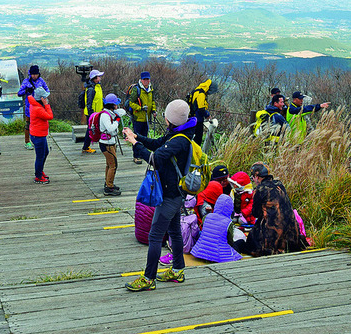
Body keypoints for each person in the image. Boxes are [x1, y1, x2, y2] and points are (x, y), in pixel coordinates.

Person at [122, 99, 195, 291]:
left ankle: (148, 278)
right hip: (174, 192)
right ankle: (178, 270)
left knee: (154, 236)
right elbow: (156, 144)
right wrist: (137, 137)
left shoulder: (179, 141)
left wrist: (135, 143)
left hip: (170, 195)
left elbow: (154, 158)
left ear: (171, 119)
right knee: (174, 232)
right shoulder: (178, 134)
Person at [231, 162, 307, 257]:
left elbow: (256, 213)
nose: (253, 180)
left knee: (251, 239)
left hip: (273, 238)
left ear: (257, 176)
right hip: (292, 236)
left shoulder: (260, 189)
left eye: (253, 177)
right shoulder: (279, 185)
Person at [189, 194, 243, 263]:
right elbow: (230, 240)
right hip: (218, 252)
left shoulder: (207, 216)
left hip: (202, 249)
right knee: (240, 243)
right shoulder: (228, 222)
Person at [91, 93, 125, 196]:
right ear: (112, 105)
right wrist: (117, 121)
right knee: (113, 165)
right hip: (107, 144)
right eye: (116, 104)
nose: (117, 106)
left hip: (109, 143)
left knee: (109, 164)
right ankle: (109, 188)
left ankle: (108, 183)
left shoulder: (109, 113)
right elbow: (110, 128)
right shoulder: (105, 115)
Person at [126, 71, 156, 164]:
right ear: (141, 80)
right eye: (144, 79)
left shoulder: (151, 89)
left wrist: (153, 110)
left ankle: (142, 154)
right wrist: (140, 108)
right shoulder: (137, 89)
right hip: (138, 118)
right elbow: (131, 103)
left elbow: (152, 101)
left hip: (147, 118)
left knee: (144, 137)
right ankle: (136, 156)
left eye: (148, 79)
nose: (146, 81)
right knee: (137, 137)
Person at [18, 65, 49, 150]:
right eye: (33, 74)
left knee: (39, 123)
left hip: (40, 106)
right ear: (30, 74)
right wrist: (27, 90)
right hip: (29, 106)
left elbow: (47, 91)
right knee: (28, 123)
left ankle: (37, 140)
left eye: (36, 74)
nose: (34, 76)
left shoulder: (41, 81)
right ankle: (27, 141)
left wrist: (42, 95)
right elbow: (19, 93)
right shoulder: (26, 81)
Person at [28, 86, 53, 183]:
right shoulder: (38, 109)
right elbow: (50, 116)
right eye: (45, 98)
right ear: (41, 99)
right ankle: (38, 176)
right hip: (38, 135)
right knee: (40, 156)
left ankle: (40, 171)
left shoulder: (34, 104)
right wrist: (47, 105)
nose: (46, 99)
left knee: (45, 153)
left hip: (39, 134)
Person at [81, 69, 105, 154]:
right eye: (99, 76)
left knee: (95, 129)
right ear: (95, 78)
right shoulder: (91, 88)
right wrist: (92, 114)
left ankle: (99, 145)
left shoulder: (97, 86)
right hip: (92, 114)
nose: (100, 78)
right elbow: (89, 102)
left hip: (97, 112)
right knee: (90, 130)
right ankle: (86, 147)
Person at [188, 79, 217, 145]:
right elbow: (201, 108)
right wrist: (207, 115)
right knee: (197, 139)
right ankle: (196, 154)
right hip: (197, 120)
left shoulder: (197, 90)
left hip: (192, 118)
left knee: (192, 137)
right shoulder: (201, 94)